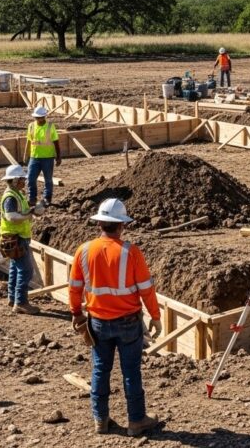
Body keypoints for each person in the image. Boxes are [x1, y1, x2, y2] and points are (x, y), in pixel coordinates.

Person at [69, 198, 163, 437]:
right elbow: (146, 289)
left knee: (100, 369)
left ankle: (100, 419)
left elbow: (74, 287)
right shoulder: (131, 252)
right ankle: (136, 421)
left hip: (98, 322)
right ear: (122, 225)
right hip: (128, 322)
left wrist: (76, 313)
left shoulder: (84, 251)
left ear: (100, 223)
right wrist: (155, 315)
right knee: (131, 371)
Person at [0, 165, 41, 314]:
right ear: (15, 180)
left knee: (15, 268)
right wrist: (29, 215)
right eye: (22, 179)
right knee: (26, 270)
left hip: (16, 237)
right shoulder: (10, 196)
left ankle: (13, 298)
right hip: (15, 237)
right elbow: (12, 216)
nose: (24, 181)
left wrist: (32, 210)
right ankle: (21, 302)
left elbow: (20, 212)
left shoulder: (17, 194)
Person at [25, 106, 61, 207]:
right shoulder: (31, 126)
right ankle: (32, 198)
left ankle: (47, 198)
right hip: (34, 157)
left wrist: (58, 156)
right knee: (31, 179)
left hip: (48, 157)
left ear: (44, 116)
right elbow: (28, 141)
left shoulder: (50, 126)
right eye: (36, 117)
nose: (38, 119)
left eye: (40, 117)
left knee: (48, 180)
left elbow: (56, 142)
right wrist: (26, 154)